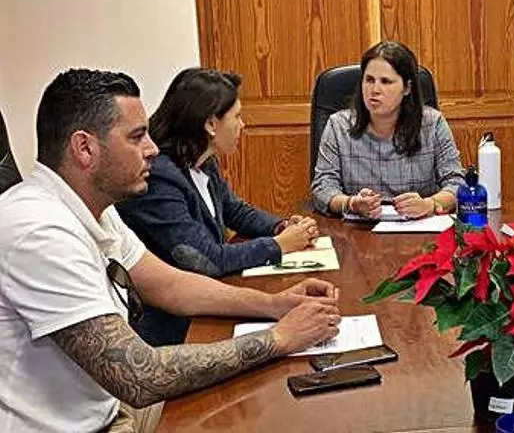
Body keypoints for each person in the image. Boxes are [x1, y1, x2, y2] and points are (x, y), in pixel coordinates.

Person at [0, 69, 341, 433]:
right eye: (137, 137)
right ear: (85, 148)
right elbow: (138, 375)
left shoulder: (94, 209)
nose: (152, 149)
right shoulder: (39, 230)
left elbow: (173, 286)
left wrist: (274, 305)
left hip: (111, 409)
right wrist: (279, 338)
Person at [117, 68, 320, 346]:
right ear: (211, 125)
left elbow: (234, 209)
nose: (242, 125)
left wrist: (280, 226)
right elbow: (205, 260)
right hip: (174, 326)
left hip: (205, 303)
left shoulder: (202, 160)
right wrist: (279, 245)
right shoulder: (159, 178)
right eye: (237, 117)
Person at [310, 40, 465, 218]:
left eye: (386, 81)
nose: (374, 90)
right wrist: (350, 203)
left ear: (407, 88)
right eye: (369, 80)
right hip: (359, 229)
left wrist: (430, 204)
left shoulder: (432, 123)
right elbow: (322, 187)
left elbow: (456, 183)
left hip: (418, 227)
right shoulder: (339, 126)